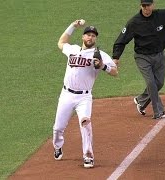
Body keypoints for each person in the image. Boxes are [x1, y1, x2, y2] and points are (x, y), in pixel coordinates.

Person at [53, 19, 118, 168]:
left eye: (93, 36)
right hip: (66, 95)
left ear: (95, 39)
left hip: (84, 97)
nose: (90, 37)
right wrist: (73, 26)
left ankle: (88, 155)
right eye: (88, 35)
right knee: (58, 128)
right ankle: (57, 146)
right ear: (83, 37)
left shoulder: (99, 54)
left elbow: (115, 71)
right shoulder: (73, 49)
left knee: (85, 123)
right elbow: (61, 42)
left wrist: (102, 66)